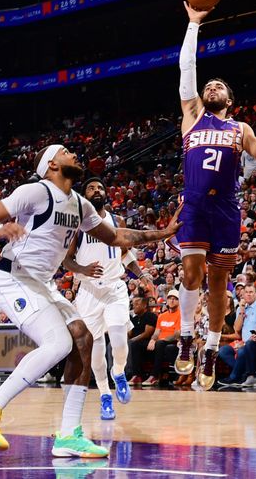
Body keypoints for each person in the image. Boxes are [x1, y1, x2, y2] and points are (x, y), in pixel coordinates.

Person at [0, 144, 181, 456]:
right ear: (51, 164)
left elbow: (117, 237)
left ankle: (68, 435)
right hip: (12, 277)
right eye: (65, 152)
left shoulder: (80, 204)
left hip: (42, 284)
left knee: (83, 338)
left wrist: (163, 233)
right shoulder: (36, 192)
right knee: (59, 344)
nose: (74, 154)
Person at [173, 2, 256, 391]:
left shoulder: (240, 127)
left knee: (218, 284)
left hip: (227, 209)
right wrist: (193, 25)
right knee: (190, 274)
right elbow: (187, 70)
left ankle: (211, 348)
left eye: (219, 86)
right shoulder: (193, 117)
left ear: (229, 100)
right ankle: (186, 338)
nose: (210, 86)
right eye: (207, 86)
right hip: (195, 205)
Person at [65, 177, 154, 420]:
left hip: (115, 287)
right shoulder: (77, 226)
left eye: (100, 187)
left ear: (106, 194)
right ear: (84, 196)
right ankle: (105, 395)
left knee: (119, 339)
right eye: (91, 188)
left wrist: (142, 273)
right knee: (94, 349)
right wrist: (82, 270)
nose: (96, 190)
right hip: (89, 291)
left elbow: (125, 255)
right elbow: (66, 260)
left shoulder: (117, 221)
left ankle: (118, 373)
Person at [141, 290, 182, 386]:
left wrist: (161, 340)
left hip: (172, 342)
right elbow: (156, 332)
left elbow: (176, 335)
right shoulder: (161, 316)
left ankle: (154, 376)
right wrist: (152, 340)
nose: (172, 301)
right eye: (170, 298)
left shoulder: (180, 315)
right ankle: (136, 375)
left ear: (179, 302)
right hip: (160, 342)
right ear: (167, 301)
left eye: (175, 299)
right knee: (138, 345)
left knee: (160, 344)